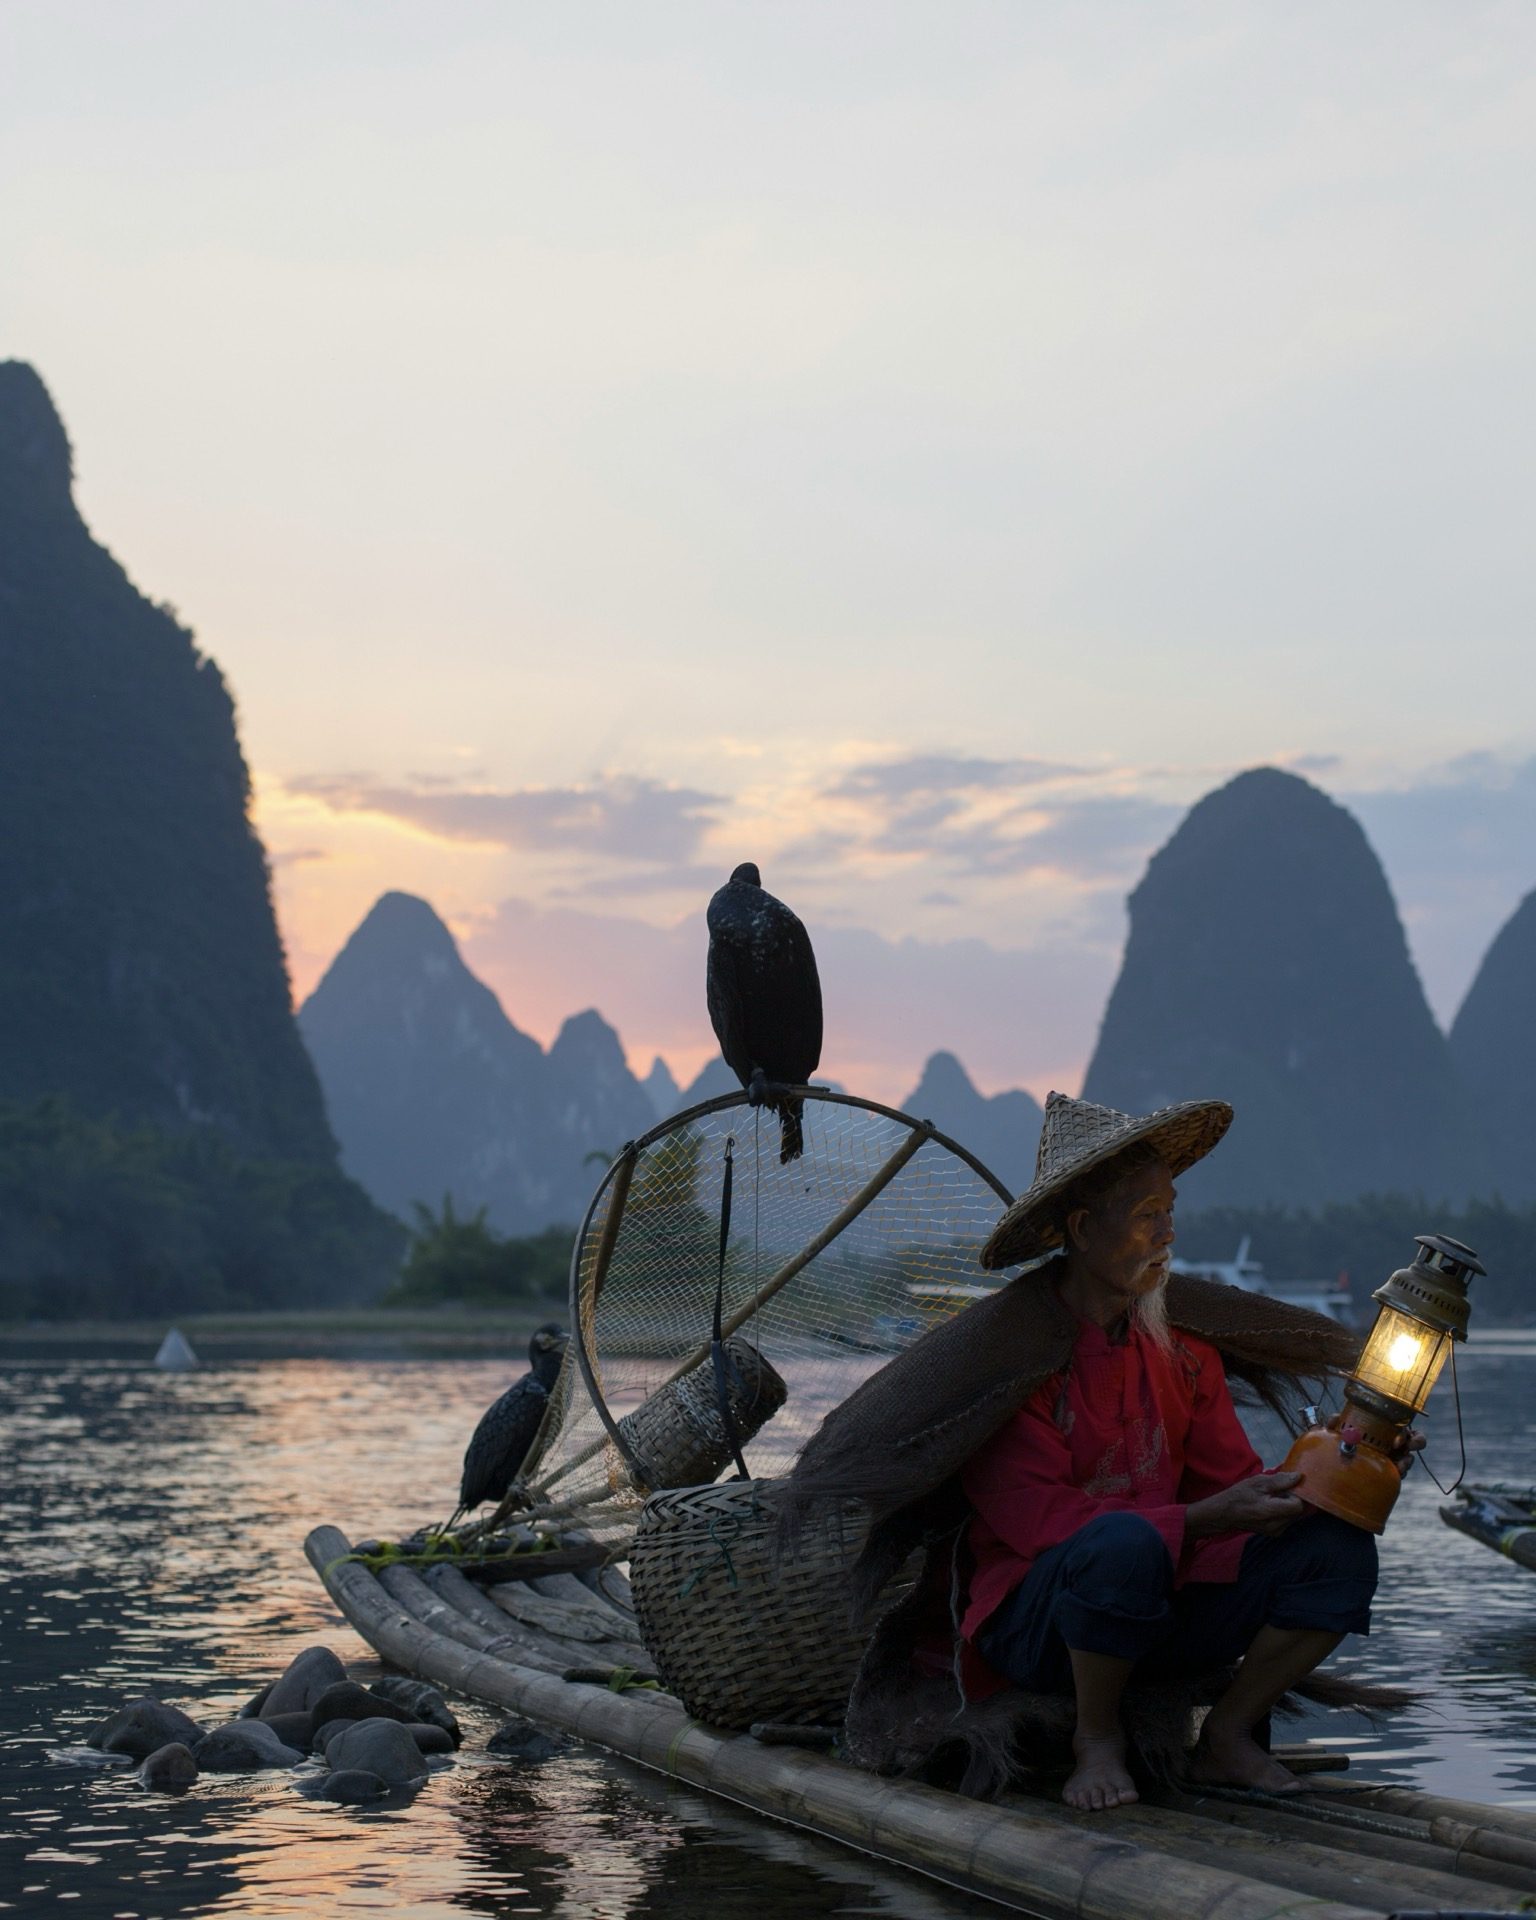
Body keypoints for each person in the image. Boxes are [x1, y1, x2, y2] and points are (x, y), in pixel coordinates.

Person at [781, 1092, 1410, 1807]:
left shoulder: (1182, 1349)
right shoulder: (1012, 1363)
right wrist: (1202, 1520)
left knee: (1336, 1550)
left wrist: (1343, 1469)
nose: (1168, 1232)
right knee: (1120, 1544)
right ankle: (1096, 1739)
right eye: (1148, 1215)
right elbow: (1046, 1525)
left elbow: (1231, 1482)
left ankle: (1228, 1736)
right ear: (1083, 1229)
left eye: (1170, 1209)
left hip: (1159, 1603)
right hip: (1042, 1623)